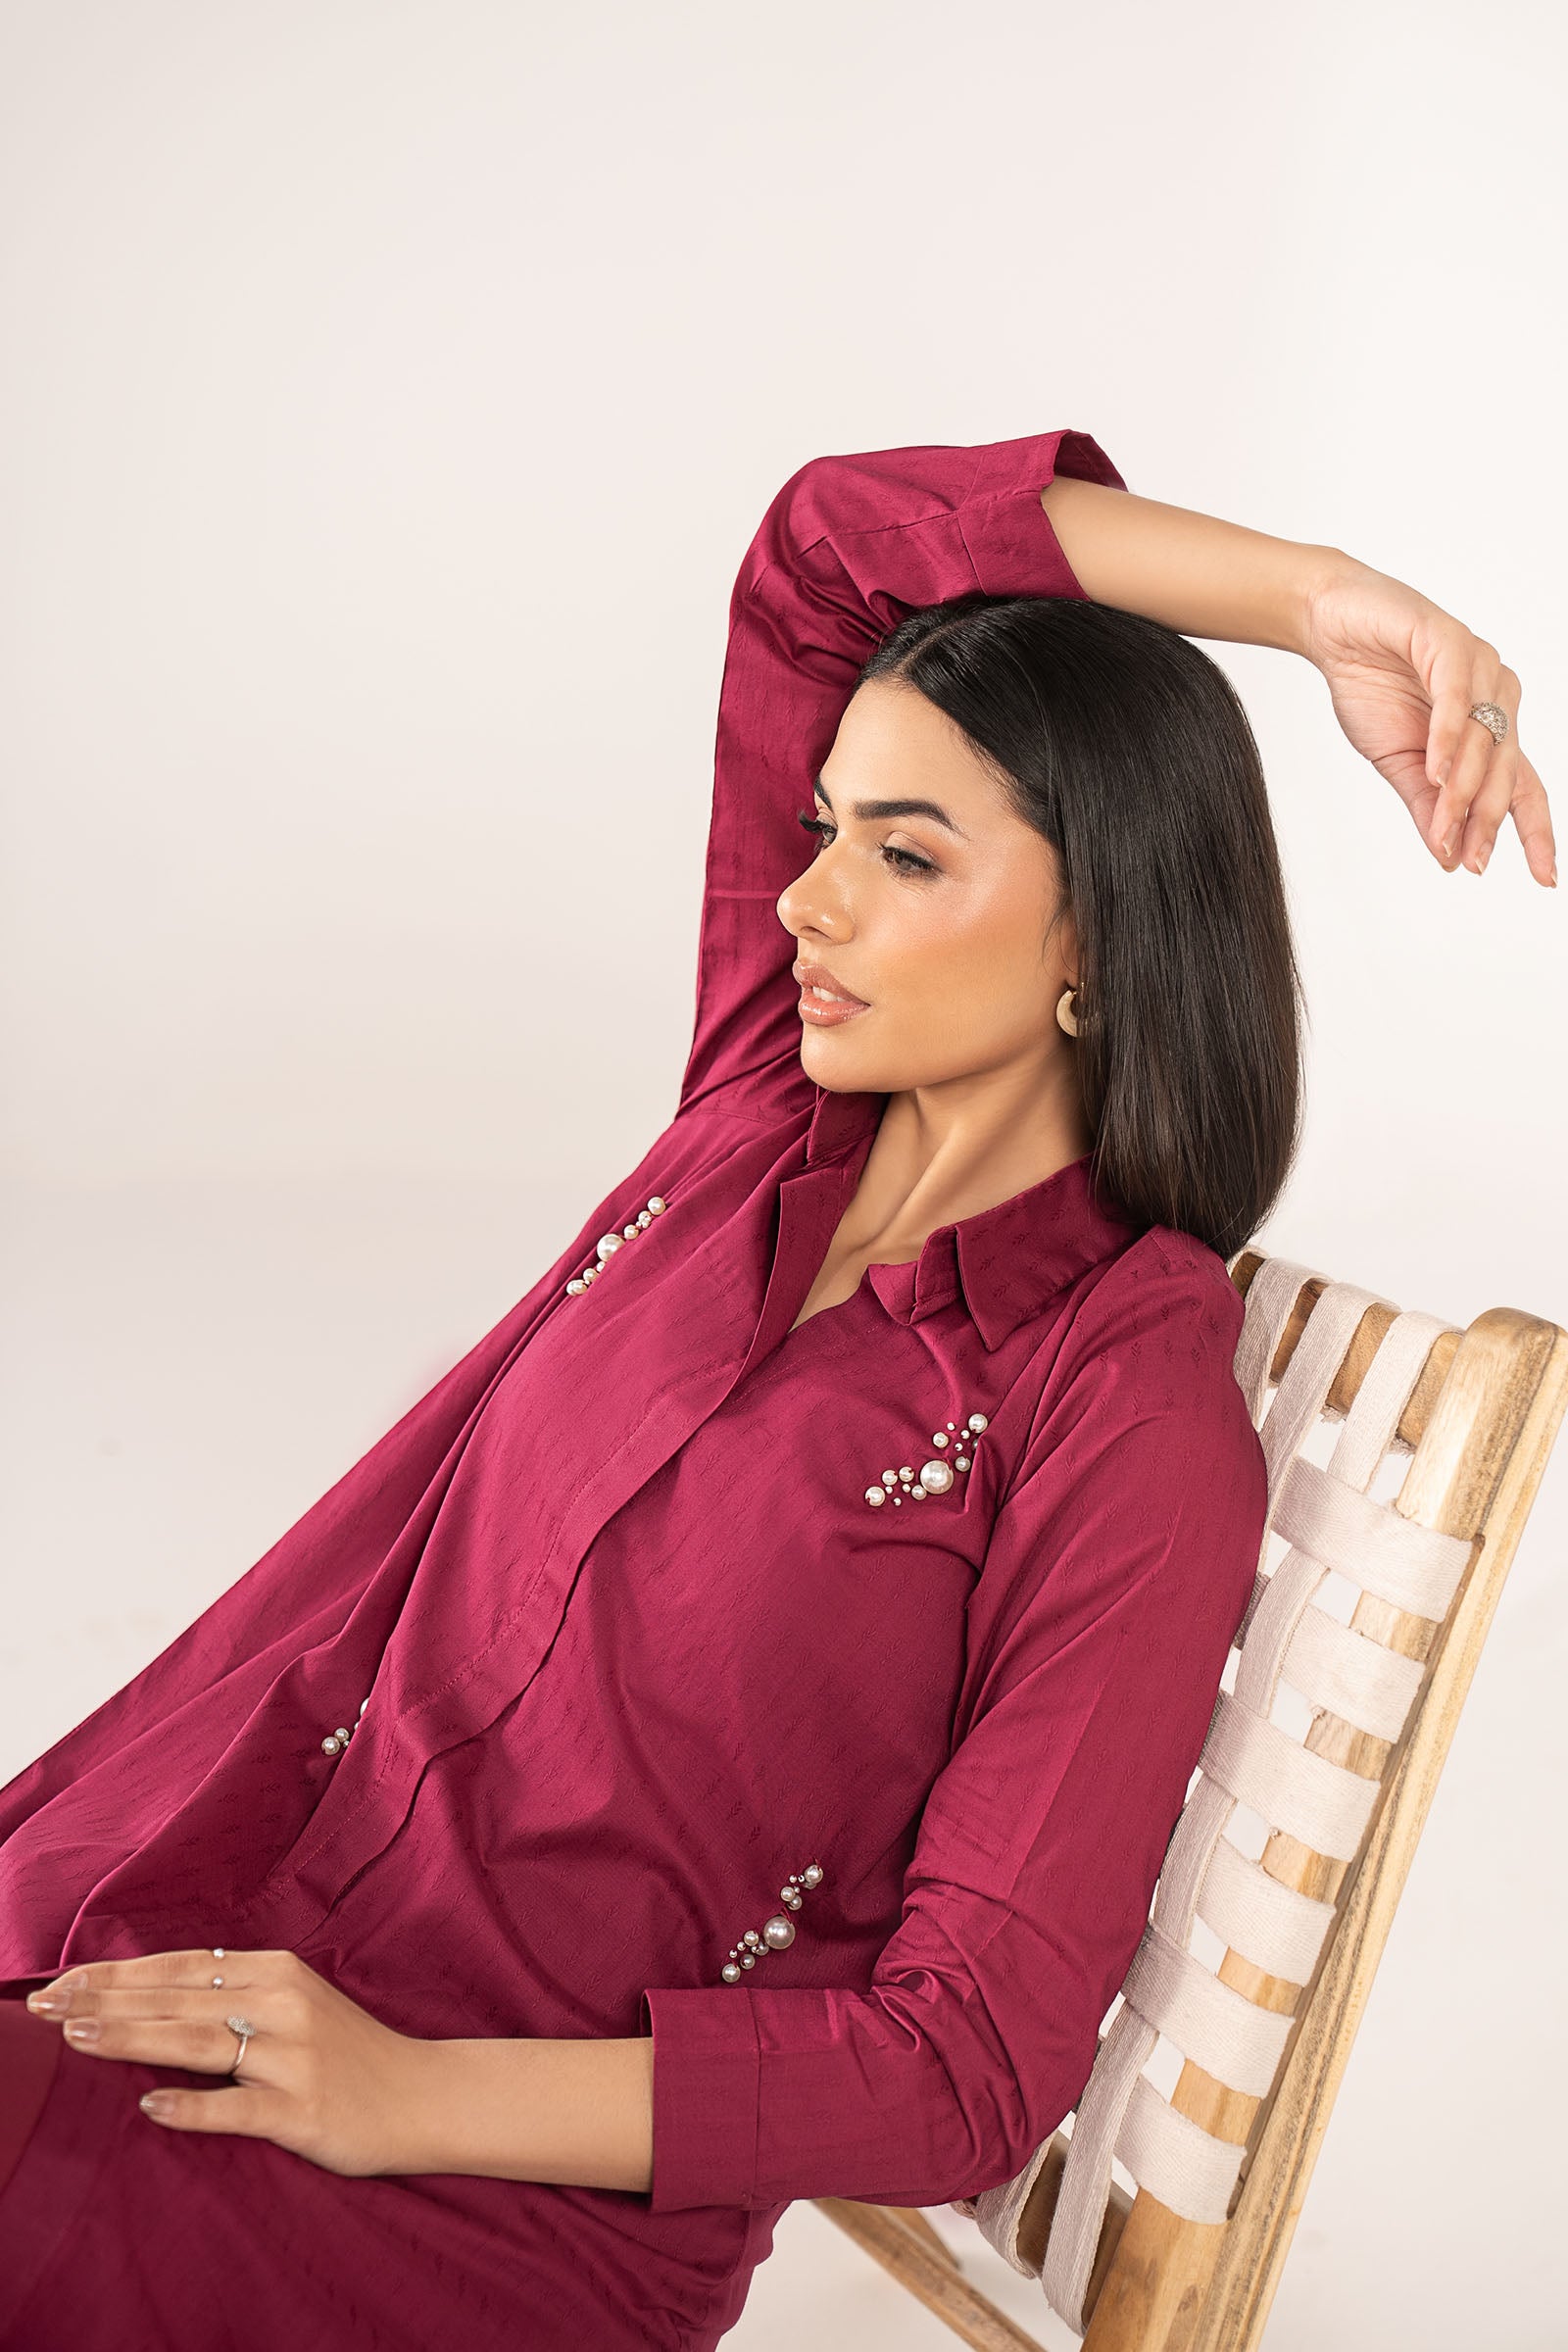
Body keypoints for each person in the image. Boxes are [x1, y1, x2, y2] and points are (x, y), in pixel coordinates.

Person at [0, 427, 1550, 2352]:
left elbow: (962, 2064)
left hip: (453, 2213)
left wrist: (398, 2093)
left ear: (1097, 937)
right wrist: (1316, 601)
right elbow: (827, 551)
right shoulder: (760, 1117)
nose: (808, 901)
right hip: (156, 1916)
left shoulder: (1119, 1411)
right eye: (822, 829)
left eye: (903, 855)